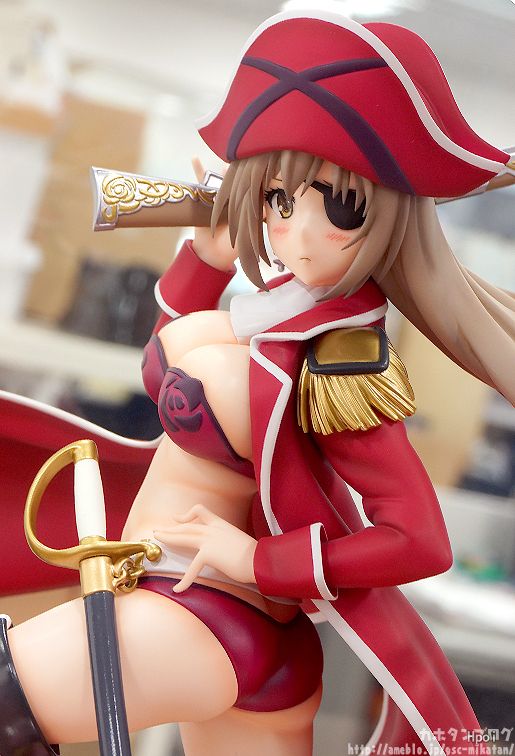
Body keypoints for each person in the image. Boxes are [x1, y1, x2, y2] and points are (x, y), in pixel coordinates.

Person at [1, 8, 514, 756]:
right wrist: (205, 259)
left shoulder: (341, 358)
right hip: (193, 609)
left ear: (390, 218)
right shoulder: (269, 315)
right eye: (278, 200)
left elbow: (417, 539)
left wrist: (260, 562)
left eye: (341, 207)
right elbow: (169, 365)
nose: (297, 235)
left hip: (206, 614)